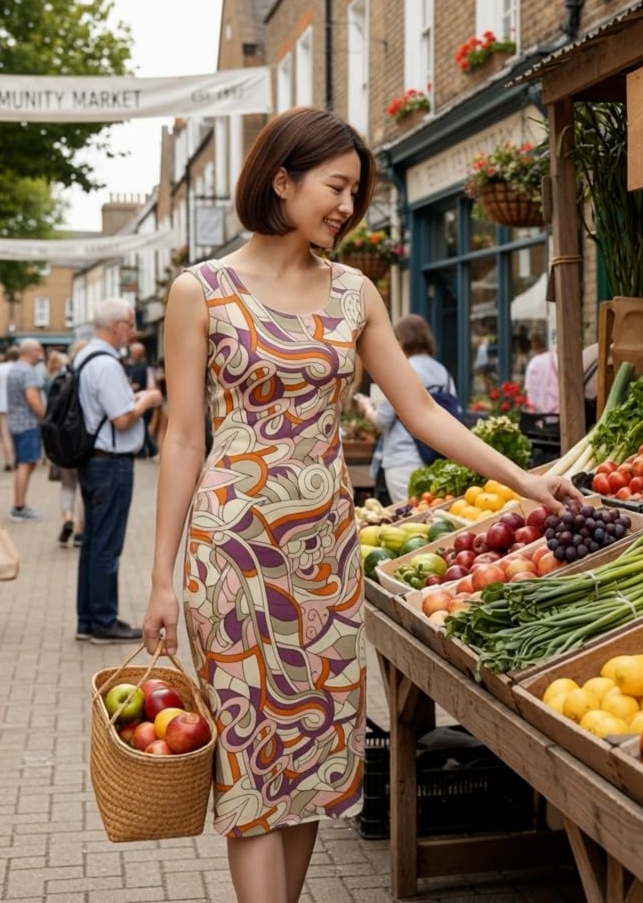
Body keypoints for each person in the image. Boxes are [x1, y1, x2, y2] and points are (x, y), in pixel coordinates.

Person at [140, 107, 582, 903]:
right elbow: (180, 438)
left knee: (310, 757)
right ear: (283, 180)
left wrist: (524, 479)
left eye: (356, 193)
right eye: (336, 187)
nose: (347, 206)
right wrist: (161, 578)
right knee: (249, 764)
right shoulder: (199, 290)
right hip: (233, 554)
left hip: (329, 557)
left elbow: (424, 413)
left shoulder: (355, 293)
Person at [75, 300, 162, 645]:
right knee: (107, 545)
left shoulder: (84, 357)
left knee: (94, 542)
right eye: (129, 323)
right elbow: (122, 418)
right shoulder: (107, 364)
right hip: (111, 462)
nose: (133, 330)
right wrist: (147, 401)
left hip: (92, 459)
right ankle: (103, 620)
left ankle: (88, 618)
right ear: (115, 325)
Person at [353, 314, 457, 504]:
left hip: (404, 458)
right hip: (437, 457)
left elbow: (382, 420)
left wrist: (367, 407)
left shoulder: (402, 370)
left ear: (401, 339)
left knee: (410, 518)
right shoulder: (443, 372)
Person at [45, 350, 83, 547]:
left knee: (67, 486)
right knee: (82, 488)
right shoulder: (82, 379)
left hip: (61, 442)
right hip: (81, 443)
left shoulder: (55, 379)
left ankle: (67, 518)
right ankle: (79, 531)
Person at [6, 338, 46, 521]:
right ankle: (19, 506)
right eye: (38, 350)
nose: (40, 354)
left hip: (15, 421)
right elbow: (33, 399)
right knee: (26, 464)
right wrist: (46, 418)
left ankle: (20, 504)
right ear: (31, 351)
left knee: (24, 463)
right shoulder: (28, 371)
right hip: (28, 423)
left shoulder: (14, 369)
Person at [0, 345, 19, 469]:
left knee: (5, 435)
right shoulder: (21, 368)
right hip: (18, 406)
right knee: (17, 434)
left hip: (2, 405)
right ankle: (18, 458)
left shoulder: (0, 368)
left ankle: (8, 461)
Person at [127, 342, 158, 458]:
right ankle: (149, 449)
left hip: (141, 400)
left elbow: (136, 385)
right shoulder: (142, 366)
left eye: (132, 352)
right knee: (143, 425)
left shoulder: (139, 367)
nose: (131, 354)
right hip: (144, 399)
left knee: (142, 425)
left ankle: (149, 449)